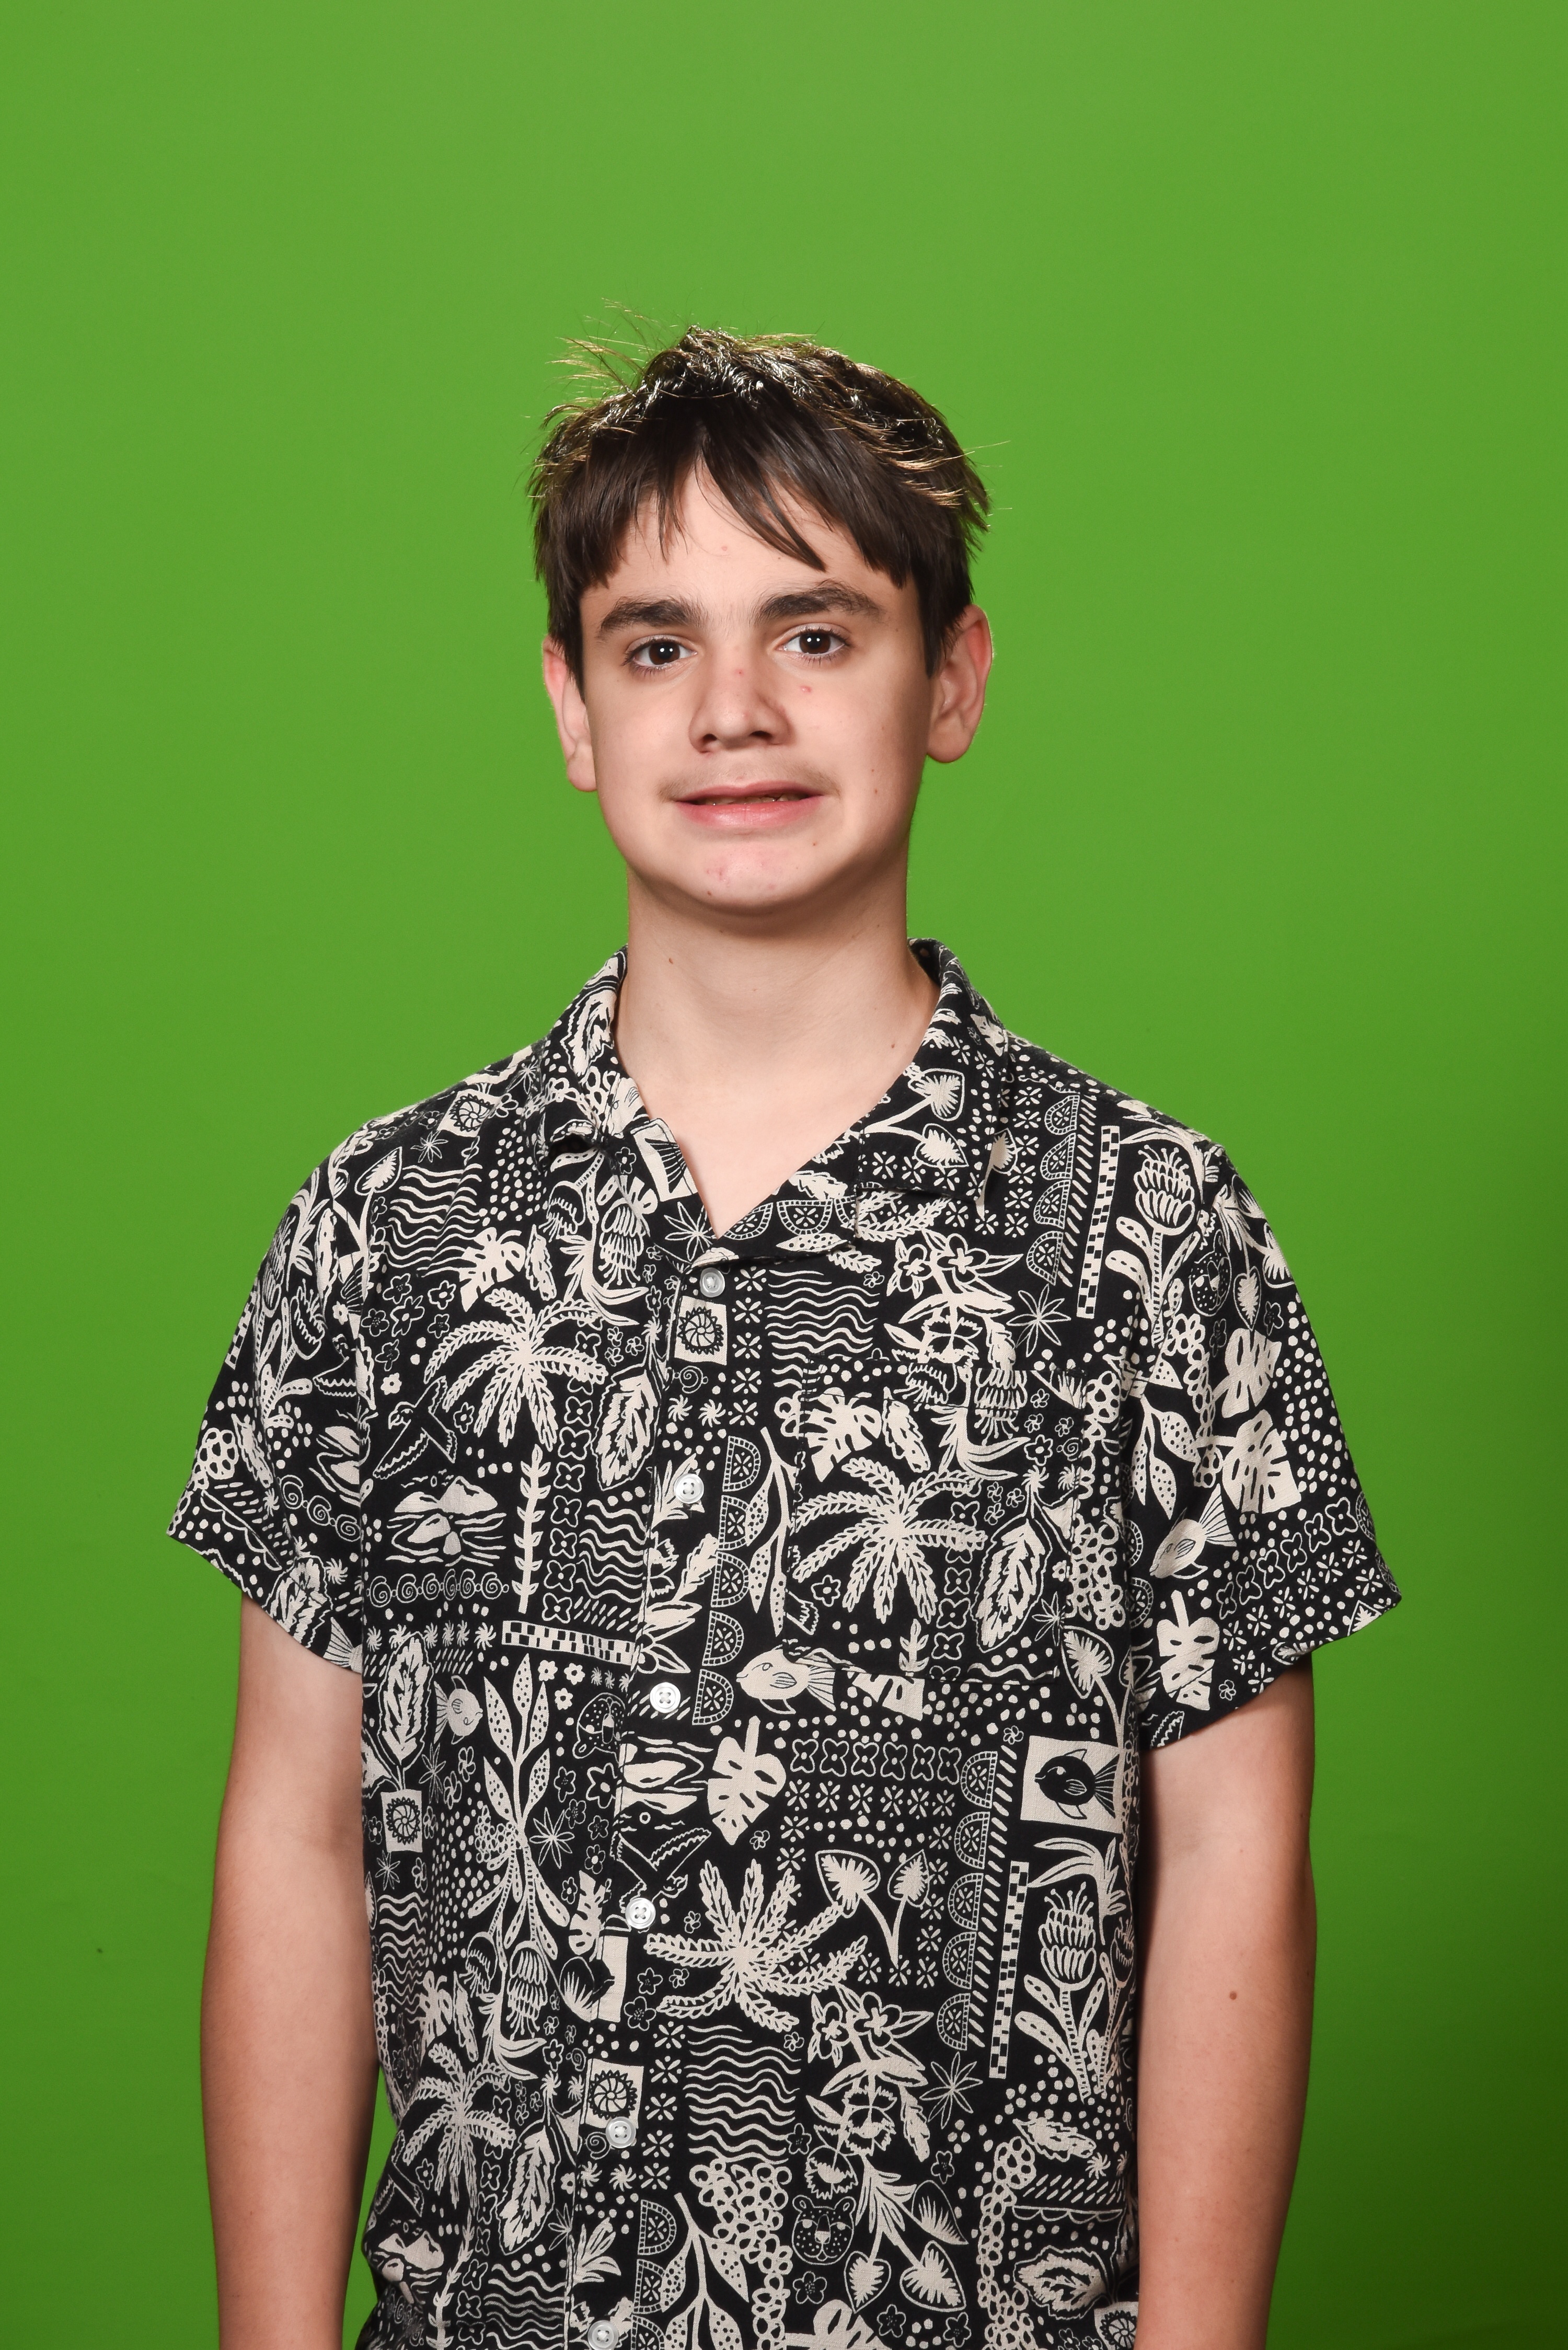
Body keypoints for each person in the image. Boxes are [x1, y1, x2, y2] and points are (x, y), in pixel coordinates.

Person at [172, 328, 1399, 2350]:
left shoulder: (1150, 1233)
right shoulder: (390, 1225)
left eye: (816, 635)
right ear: (572, 708)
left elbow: (1238, 1861)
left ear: (954, 679)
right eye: (657, 645)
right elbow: (296, 1842)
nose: (733, 711)